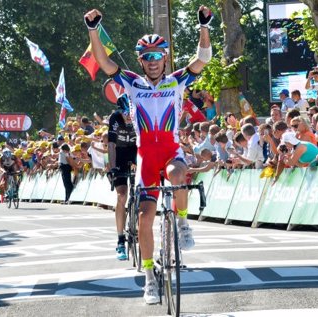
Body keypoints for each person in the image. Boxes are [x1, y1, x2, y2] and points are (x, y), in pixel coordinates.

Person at [84, 5, 212, 304]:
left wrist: (204, 25)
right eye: (147, 57)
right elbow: (103, 62)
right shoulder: (131, 82)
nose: (152, 62)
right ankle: (150, 277)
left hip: (170, 151)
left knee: (180, 175)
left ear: (165, 58)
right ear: (141, 61)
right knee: (144, 218)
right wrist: (92, 30)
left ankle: (182, 222)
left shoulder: (177, 80)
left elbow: (203, 58)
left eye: (157, 56)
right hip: (146, 157)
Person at [106, 94, 138, 261]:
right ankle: (120, 240)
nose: (127, 117)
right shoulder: (115, 118)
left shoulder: (139, 115)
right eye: (125, 113)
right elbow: (111, 144)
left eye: (130, 113)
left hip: (135, 151)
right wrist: (112, 167)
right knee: (122, 195)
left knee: (141, 191)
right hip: (118, 154)